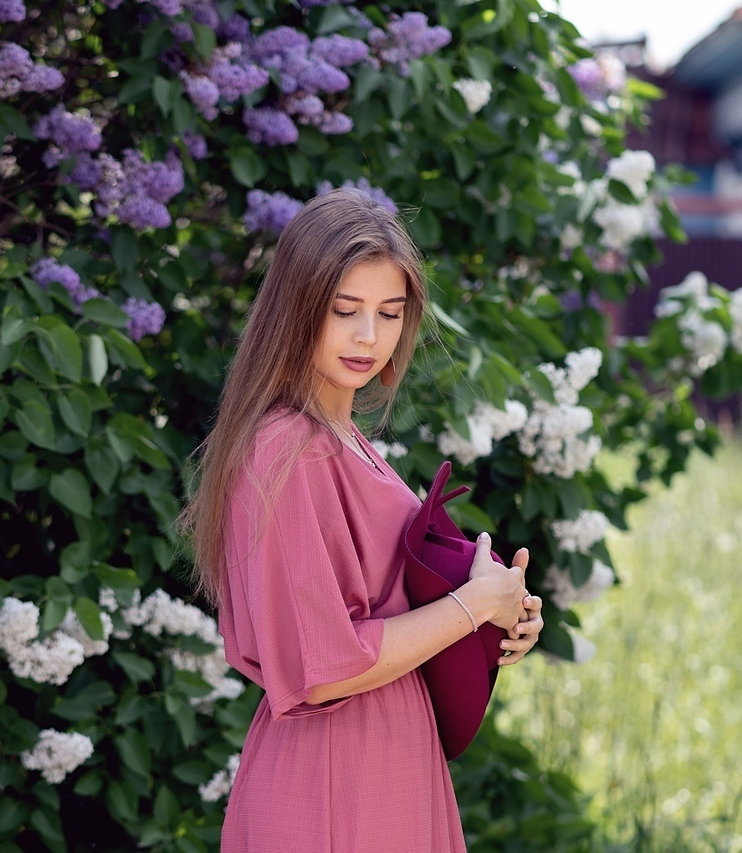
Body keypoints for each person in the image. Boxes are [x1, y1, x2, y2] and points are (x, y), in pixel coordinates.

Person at [181, 188, 544, 851]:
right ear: (297, 309)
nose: (368, 337)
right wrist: (467, 607)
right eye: (344, 310)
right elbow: (324, 669)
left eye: (389, 313)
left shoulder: (343, 437)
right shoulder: (284, 449)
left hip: (388, 759)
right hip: (334, 775)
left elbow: (389, 611)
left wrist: (496, 615)